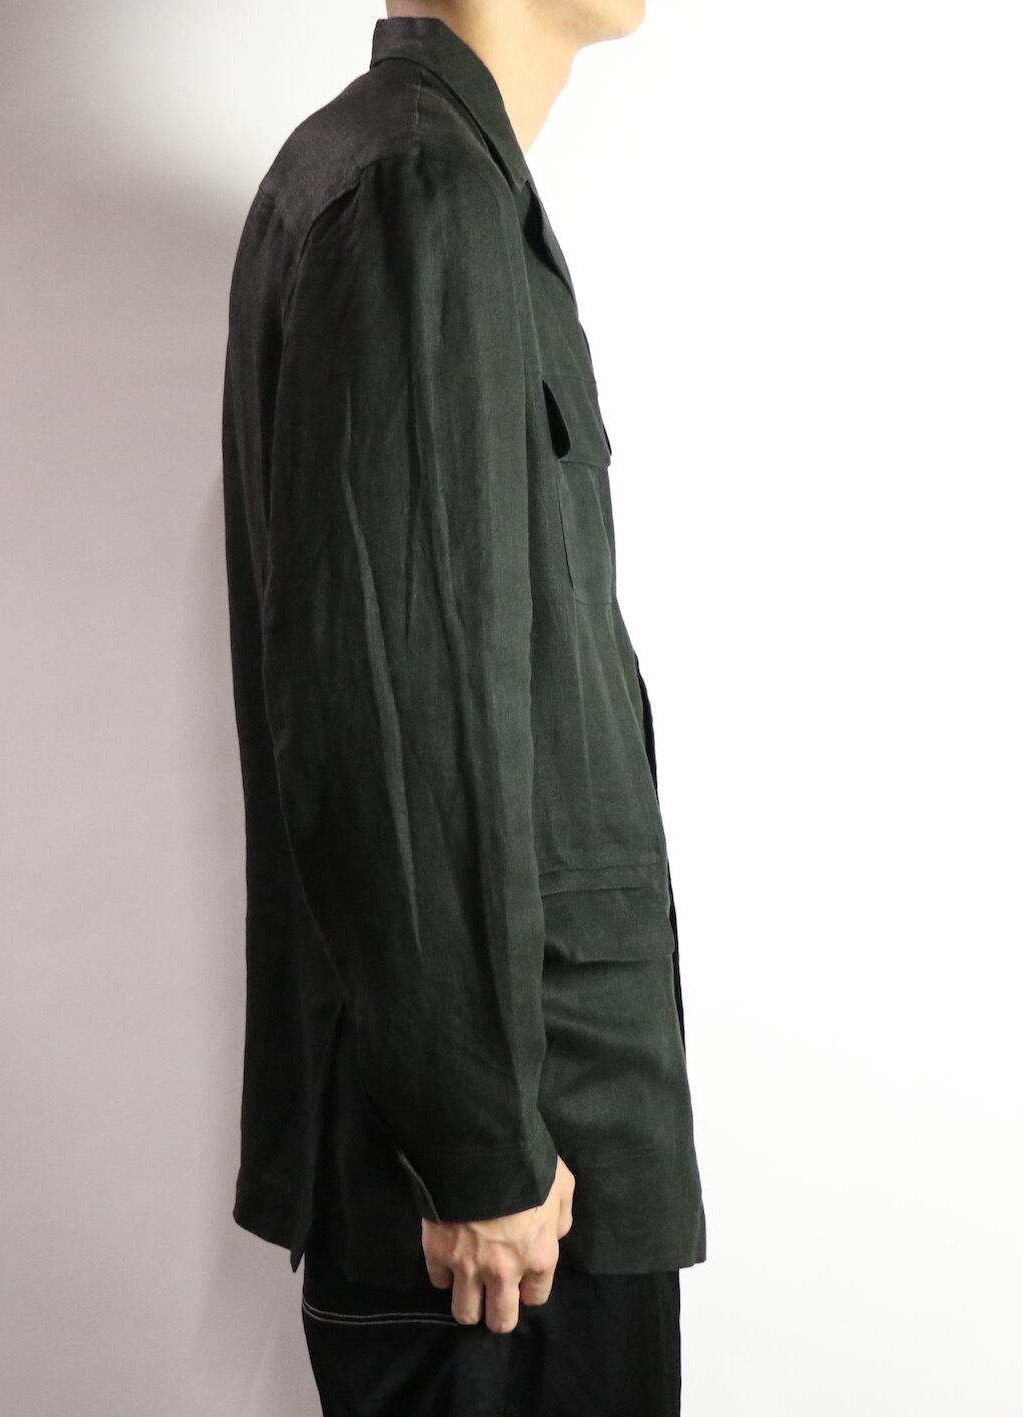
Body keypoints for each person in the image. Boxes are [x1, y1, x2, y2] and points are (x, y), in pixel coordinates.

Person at [220, 5, 705, 1411]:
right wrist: (479, 1144)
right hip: (510, 1191)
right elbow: (392, 709)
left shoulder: (435, 181)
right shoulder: (415, 194)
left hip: (531, 1151)